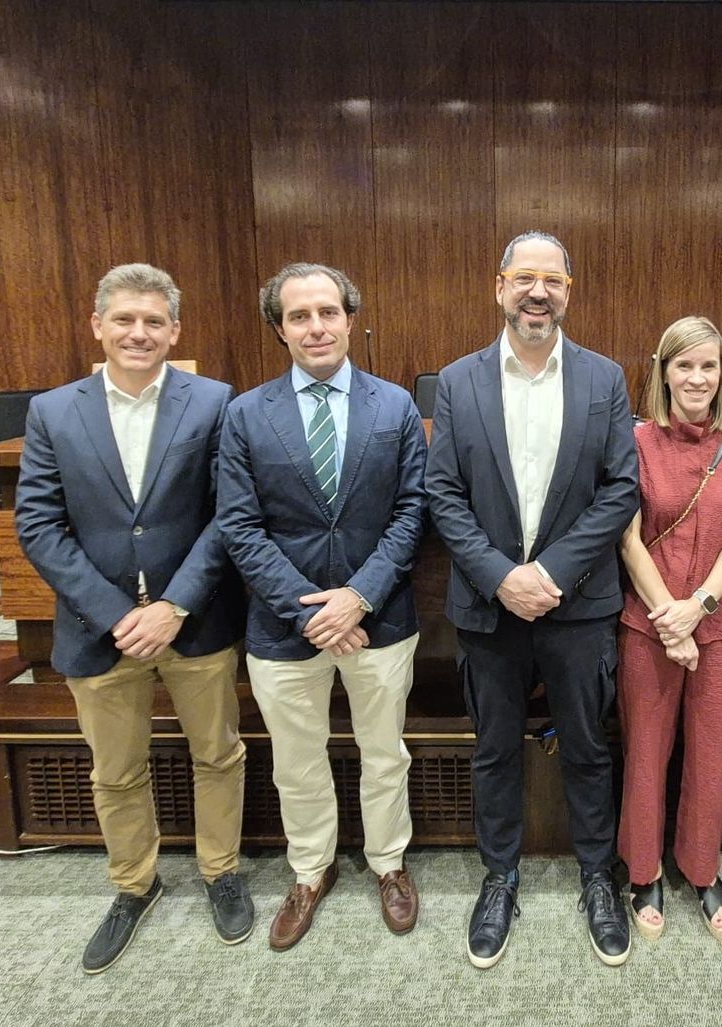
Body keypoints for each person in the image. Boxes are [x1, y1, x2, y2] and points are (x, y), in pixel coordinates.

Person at [16, 263, 250, 974]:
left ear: (175, 331)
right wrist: (121, 614)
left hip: (196, 619)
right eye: (125, 319)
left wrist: (174, 604)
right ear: (98, 326)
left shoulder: (214, 403)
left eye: (154, 321)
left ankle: (222, 871)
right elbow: (38, 522)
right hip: (99, 628)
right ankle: (133, 884)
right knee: (116, 770)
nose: (139, 332)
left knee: (218, 753)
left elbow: (227, 515)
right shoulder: (53, 411)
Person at [425, 230, 639, 968]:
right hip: (489, 608)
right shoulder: (456, 382)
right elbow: (442, 492)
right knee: (494, 751)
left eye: (552, 279)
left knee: (586, 746)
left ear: (570, 292)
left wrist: (550, 572)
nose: (538, 291)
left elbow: (620, 488)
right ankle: (500, 876)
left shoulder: (605, 378)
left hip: (577, 605)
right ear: (499, 287)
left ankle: (595, 877)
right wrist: (499, 574)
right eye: (525, 278)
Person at [217, 262, 428, 950]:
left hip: (380, 618)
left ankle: (389, 863)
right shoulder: (245, 414)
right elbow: (239, 526)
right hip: (284, 625)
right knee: (296, 759)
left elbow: (411, 510)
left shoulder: (394, 405)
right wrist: (310, 609)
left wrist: (359, 595)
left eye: (328, 312)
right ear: (279, 327)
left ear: (350, 316)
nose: (316, 326)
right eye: (299, 315)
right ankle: (309, 870)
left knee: (383, 752)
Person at [616, 316, 722, 945]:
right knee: (646, 752)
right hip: (648, 626)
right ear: (663, 372)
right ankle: (643, 871)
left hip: (721, 625)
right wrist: (668, 620)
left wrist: (697, 608)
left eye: (709, 366)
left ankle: (703, 871)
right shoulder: (635, 441)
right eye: (685, 366)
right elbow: (626, 537)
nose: (697, 378)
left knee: (711, 753)